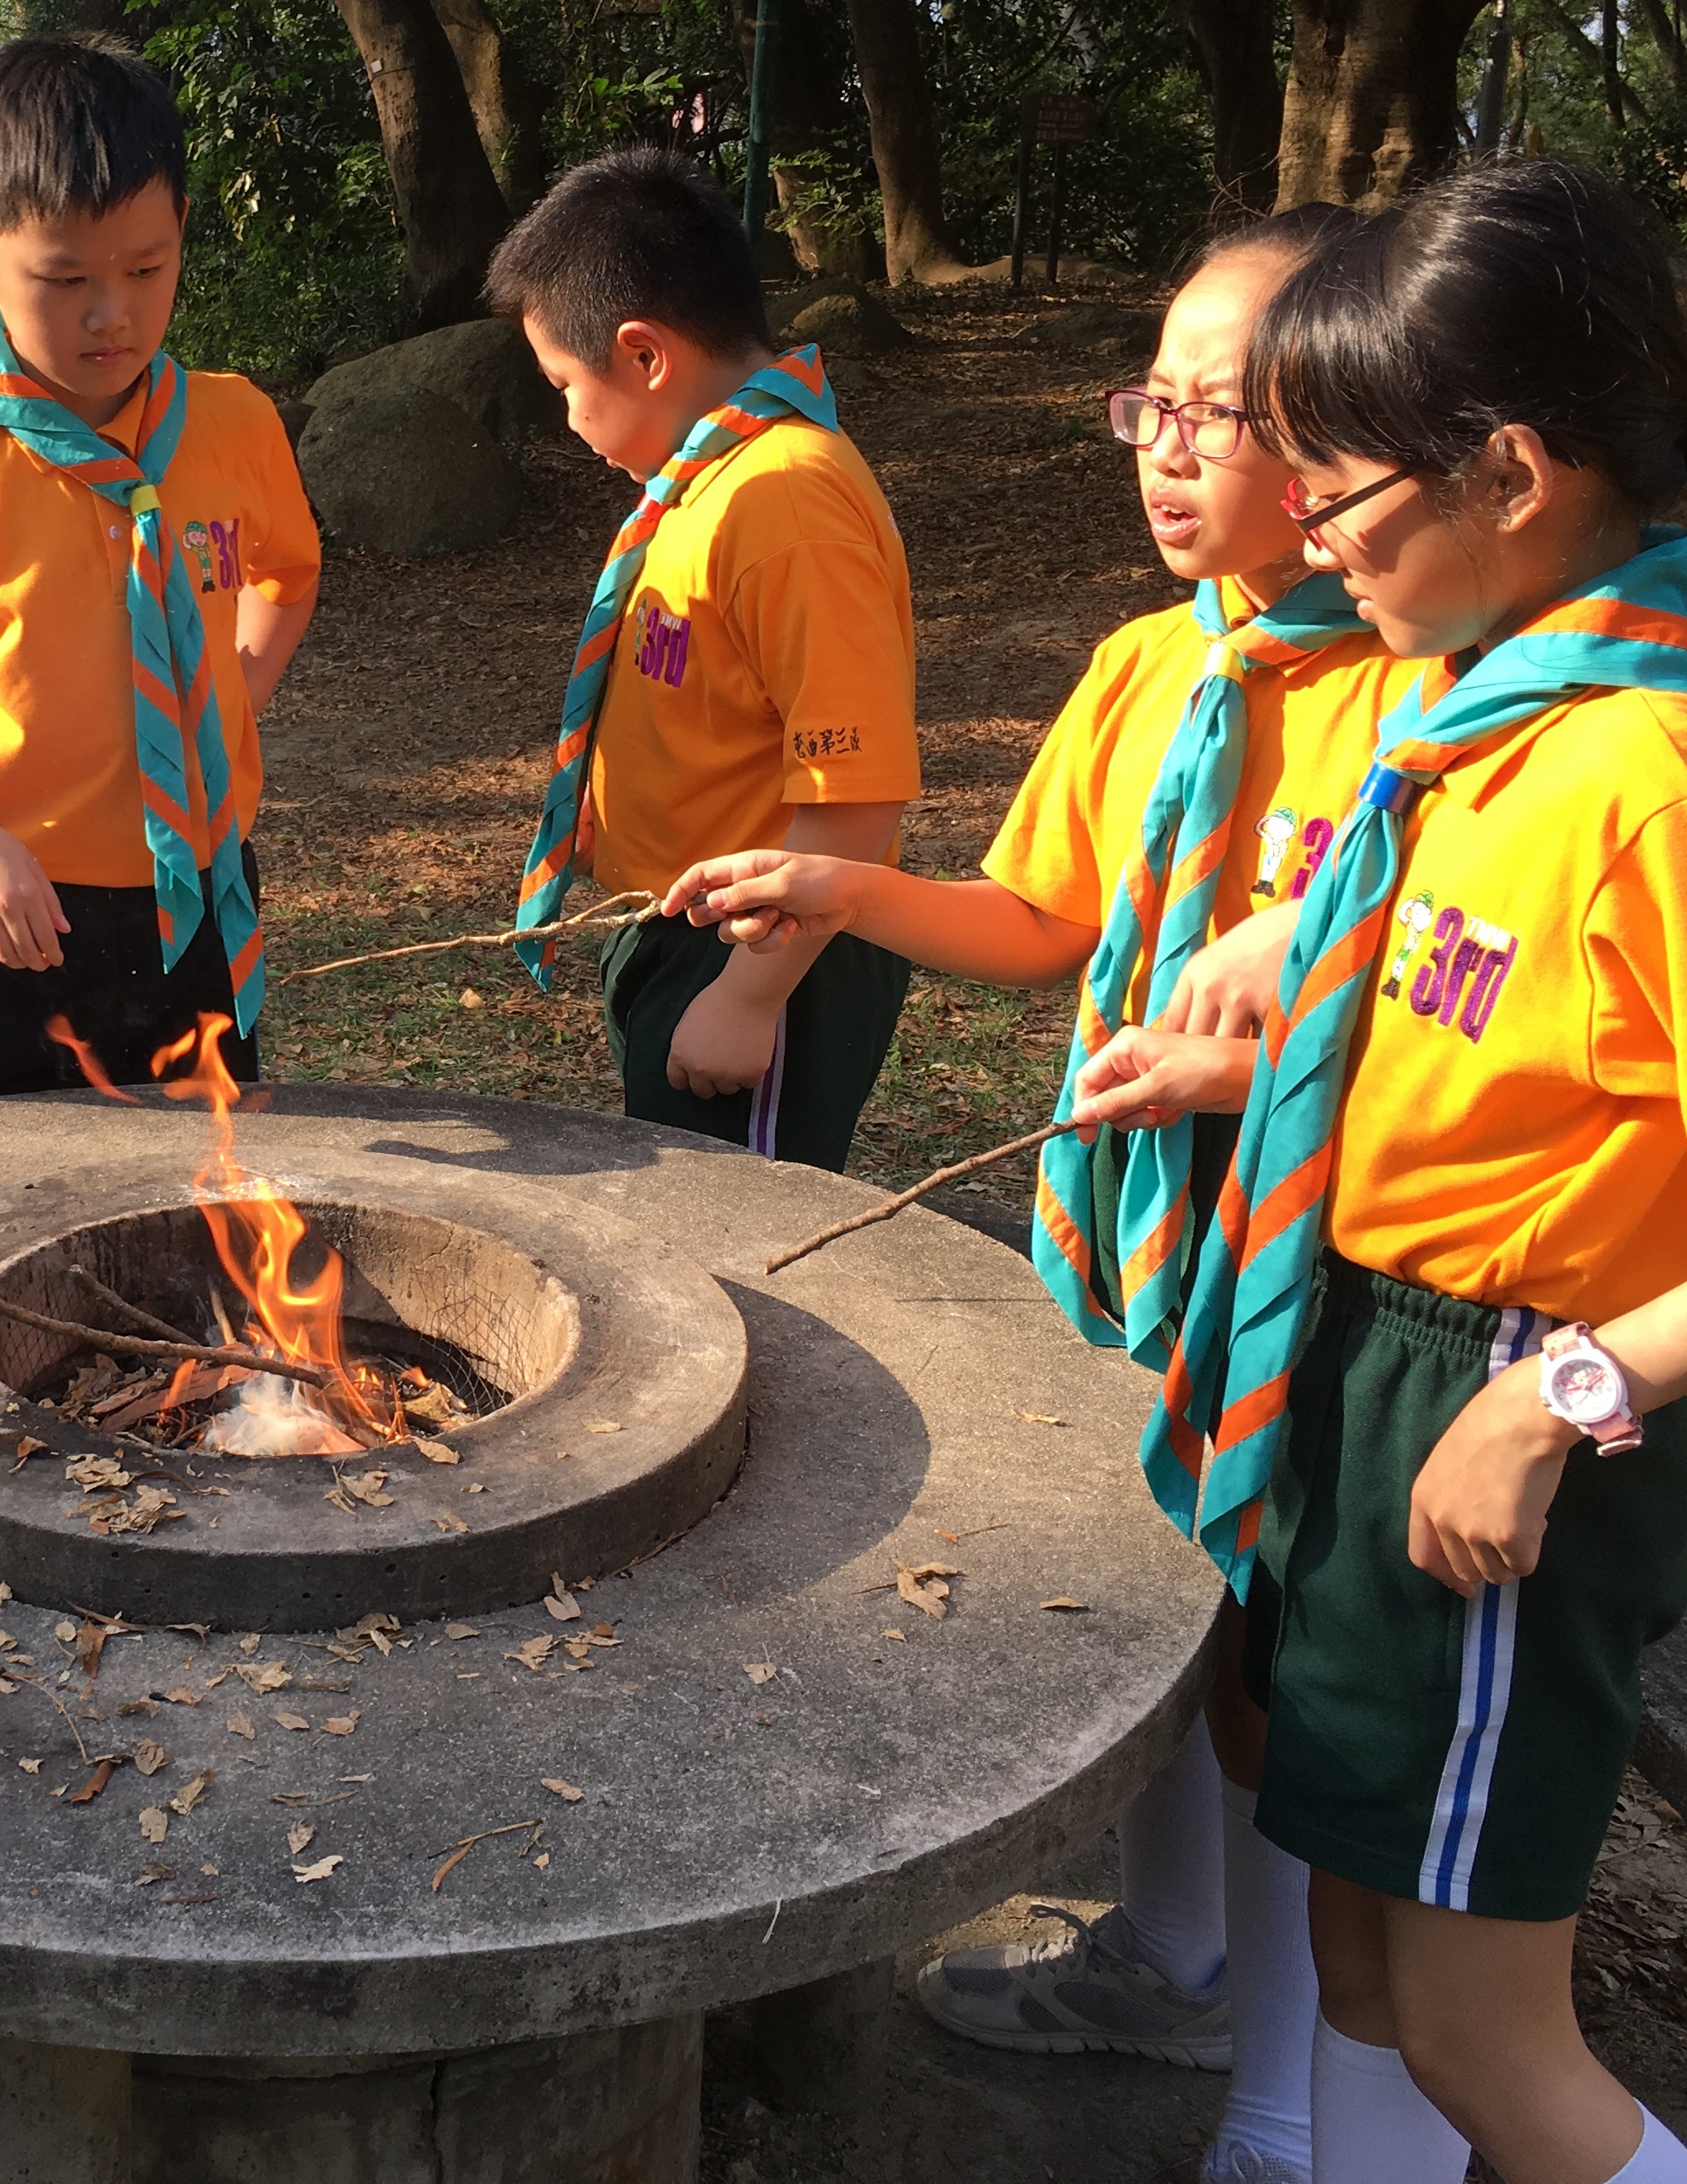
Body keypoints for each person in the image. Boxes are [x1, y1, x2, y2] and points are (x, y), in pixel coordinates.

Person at [1042, 162, 1687, 2183]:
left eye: (1336, 493)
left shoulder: (1652, 776)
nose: (1310, 537)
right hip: (1370, 1369)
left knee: (1483, 2035)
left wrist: (1557, 1399)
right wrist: (1248, 1035)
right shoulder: (1477, 723)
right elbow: (1485, 1048)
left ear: (1508, 474)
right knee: (1364, 1963)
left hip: (1503, 1421)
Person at [665, 205, 1419, 2184]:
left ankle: (1281, 2108)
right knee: (1162, 1592)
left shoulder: (1432, 703)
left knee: (1270, 1681)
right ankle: (1167, 1956)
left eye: (1224, 414)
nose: (1170, 452)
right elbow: (1040, 919)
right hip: (1148, 1229)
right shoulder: (1149, 668)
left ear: (1356, 424)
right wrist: (841, 888)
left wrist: (1261, 1068)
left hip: (1332, 1262)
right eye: (1152, 404)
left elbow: (1440, 1020)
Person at [0, 34, 321, 1108]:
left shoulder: (232, 426)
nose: (111, 313)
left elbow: (287, 573)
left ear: (181, 232)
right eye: (65, 278)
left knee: (200, 1190)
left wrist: (226, 695)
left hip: (195, 906)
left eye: (146, 269)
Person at [496, 148, 920, 1171]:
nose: (566, 417)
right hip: (686, 928)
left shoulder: (787, 501)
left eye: (564, 384)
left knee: (735, 1228)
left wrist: (749, 996)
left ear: (644, 355)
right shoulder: (705, 483)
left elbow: (857, 798)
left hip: (768, 948)